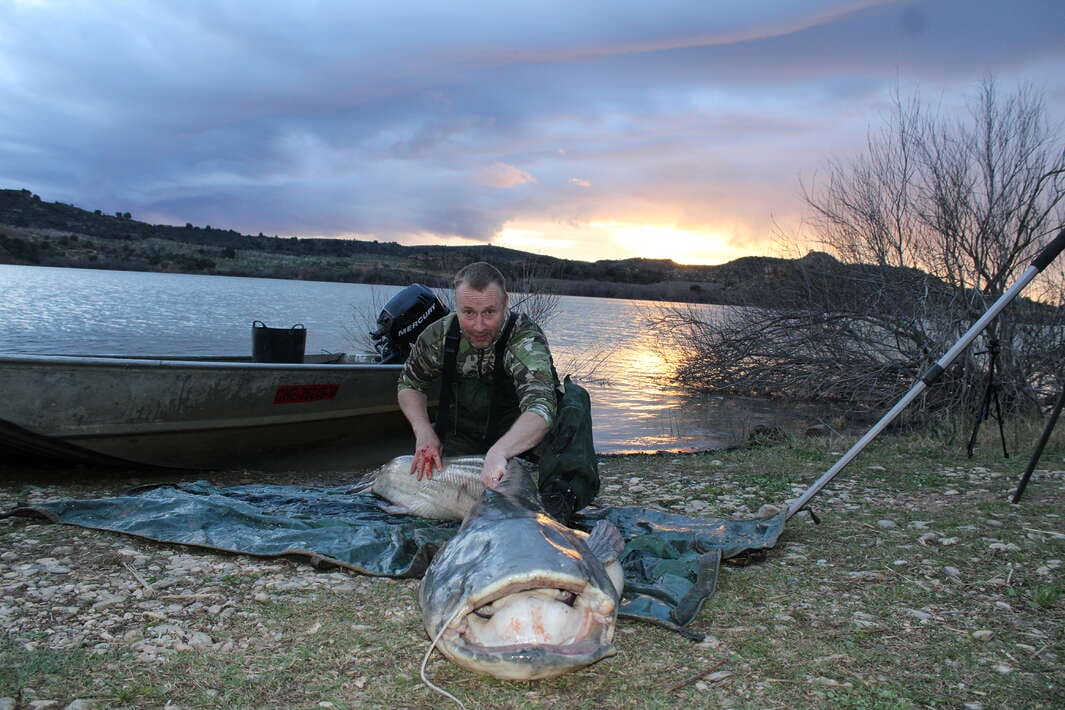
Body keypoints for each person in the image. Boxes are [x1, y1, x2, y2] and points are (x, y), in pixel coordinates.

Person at [396, 261, 584, 523]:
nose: (479, 325)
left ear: (505, 302)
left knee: (576, 402)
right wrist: (424, 432)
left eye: (489, 312)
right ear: (457, 306)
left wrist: (500, 452)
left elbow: (540, 408)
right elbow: (409, 384)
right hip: (461, 435)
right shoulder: (439, 335)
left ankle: (558, 497)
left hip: (519, 442)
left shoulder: (525, 339)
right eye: (469, 313)